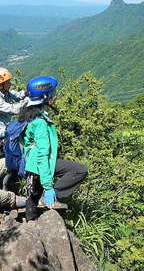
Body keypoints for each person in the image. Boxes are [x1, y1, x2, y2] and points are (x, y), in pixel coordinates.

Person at [19, 76, 88, 220]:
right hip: (39, 164)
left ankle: (31, 223)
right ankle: (52, 195)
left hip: (30, 164)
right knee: (80, 170)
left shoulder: (28, 113)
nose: (55, 95)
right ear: (44, 96)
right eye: (53, 93)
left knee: (33, 195)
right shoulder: (40, 123)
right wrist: (49, 187)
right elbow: (42, 154)